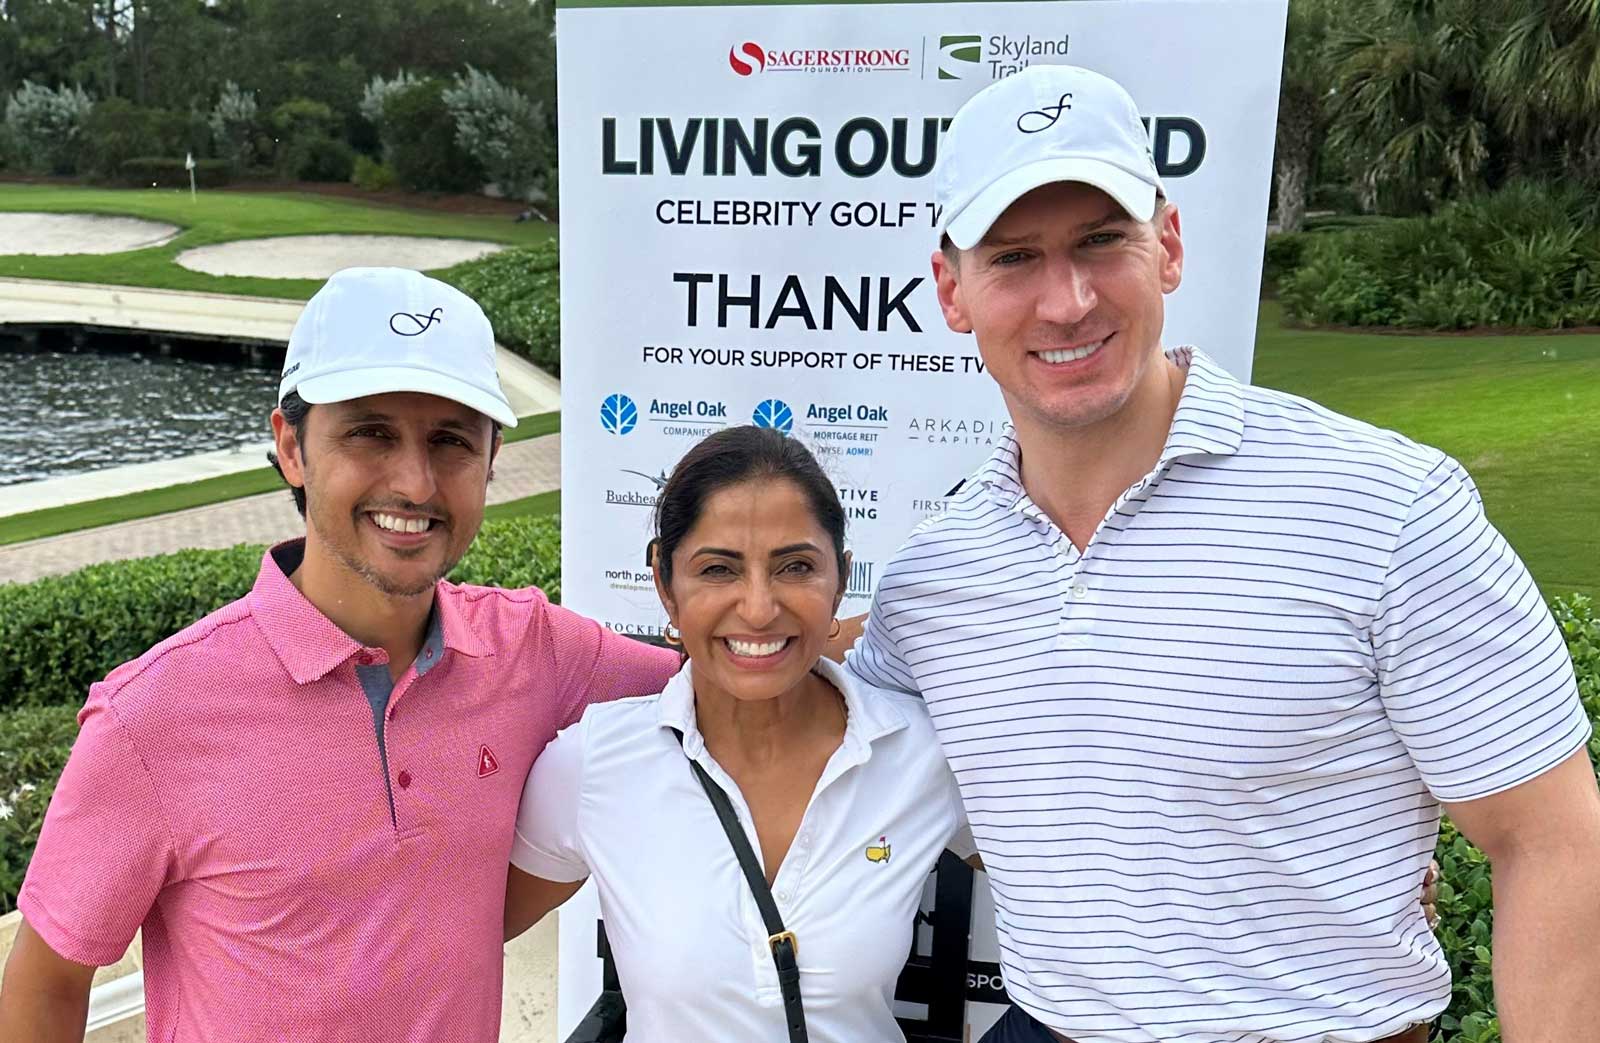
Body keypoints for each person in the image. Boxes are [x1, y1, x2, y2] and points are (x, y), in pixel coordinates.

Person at [845, 64, 1600, 1043]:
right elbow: (829, 749)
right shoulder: (932, 581)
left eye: (1101, 241)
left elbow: (1553, 841)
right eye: (1014, 257)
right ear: (952, 290)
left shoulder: (1386, 507)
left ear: (1167, 244)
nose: (1067, 300)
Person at [0, 267, 682, 1042]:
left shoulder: (535, 649)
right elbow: (45, 988)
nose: (415, 480)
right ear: (290, 446)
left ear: (491, 459)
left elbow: (723, 691)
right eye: (371, 432)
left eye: (452, 440)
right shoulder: (152, 715)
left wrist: (835, 643)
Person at [502, 425, 977, 1042]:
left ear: (841, 579)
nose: (757, 608)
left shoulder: (921, 754)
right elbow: (458, 941)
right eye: (719, 569)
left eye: (796, 567)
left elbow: (1086, 908)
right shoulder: (597, 763)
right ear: (664, 585)